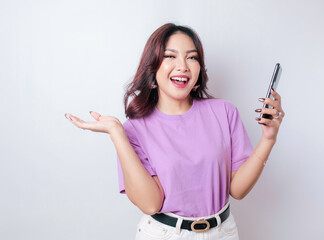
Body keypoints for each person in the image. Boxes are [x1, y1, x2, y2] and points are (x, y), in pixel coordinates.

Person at [65, 23, 285, 240]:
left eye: (192, 57)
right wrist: (117, 133)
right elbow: (151, 203)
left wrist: (268, 139)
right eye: (170, 56)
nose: (183, 66)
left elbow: (237, 189)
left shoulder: (224, 112)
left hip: (223, 232)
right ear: (153, 67)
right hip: (165, 234)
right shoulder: (135, 129)